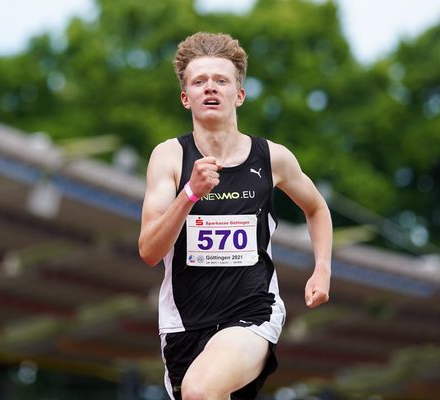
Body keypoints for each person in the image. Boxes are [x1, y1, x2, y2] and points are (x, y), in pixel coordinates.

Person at [138, 32, 332, 400]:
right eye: (199, 82)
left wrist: (322, 267)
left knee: (200, 389)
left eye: (221, 81)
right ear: (186, 97)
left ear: (238, 95)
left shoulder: (272, 158)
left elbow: (317, 207)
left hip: (253, 312)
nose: (210, 88)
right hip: (183, 326)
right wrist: (190, 194)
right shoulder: (168, 158)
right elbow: (149, 250)